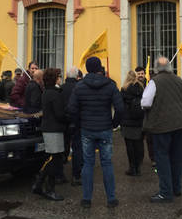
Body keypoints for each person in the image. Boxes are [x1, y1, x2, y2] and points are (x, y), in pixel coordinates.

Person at [67, 57, 124, 209]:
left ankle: (86, 199)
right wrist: (114, 123)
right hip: (105, 127)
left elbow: (71, 109)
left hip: (87, 129)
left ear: (86, 68)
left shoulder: (79, 86)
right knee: (106, 163)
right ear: (100, 68)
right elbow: (120, 108)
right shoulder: (110, 85)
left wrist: (79, 123)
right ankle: (111, 199)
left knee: (88, 163)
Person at [141, 57, 182, 203]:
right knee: (177, 158)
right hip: (180, 123)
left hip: (162, 125)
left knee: (162, 159)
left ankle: (165, 192)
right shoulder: (179, 80)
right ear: (169, 66)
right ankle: (176, 188)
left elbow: (145, 102)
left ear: (156, 68)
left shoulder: (155, 81)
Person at [32, 68, 67, 201]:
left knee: (52, 158)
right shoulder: (54, 94)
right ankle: (48, 188)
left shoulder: (47, 92)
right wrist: (68, 117)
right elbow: (59, 114)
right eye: (59, 76)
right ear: (55, 79)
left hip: (49, 128)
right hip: (54, 129)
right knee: (54, 159)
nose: (60, 78)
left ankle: (39, 184)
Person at [61, 66, 83, 186]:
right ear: (76, 76)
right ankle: (76, 175)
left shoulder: (61, 88)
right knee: (77, 149)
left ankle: (60, 175)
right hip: (77, 122)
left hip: (63, 122)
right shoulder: (79, 87)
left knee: (62, 148)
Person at [120, 70, 145, 176]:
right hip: (139, 120)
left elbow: (120, 106)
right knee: (139, 144)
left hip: (127, 121)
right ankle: (138, 166)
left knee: (129, 145)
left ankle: (132, 167)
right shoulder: (141, 88)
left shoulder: (124, 89)